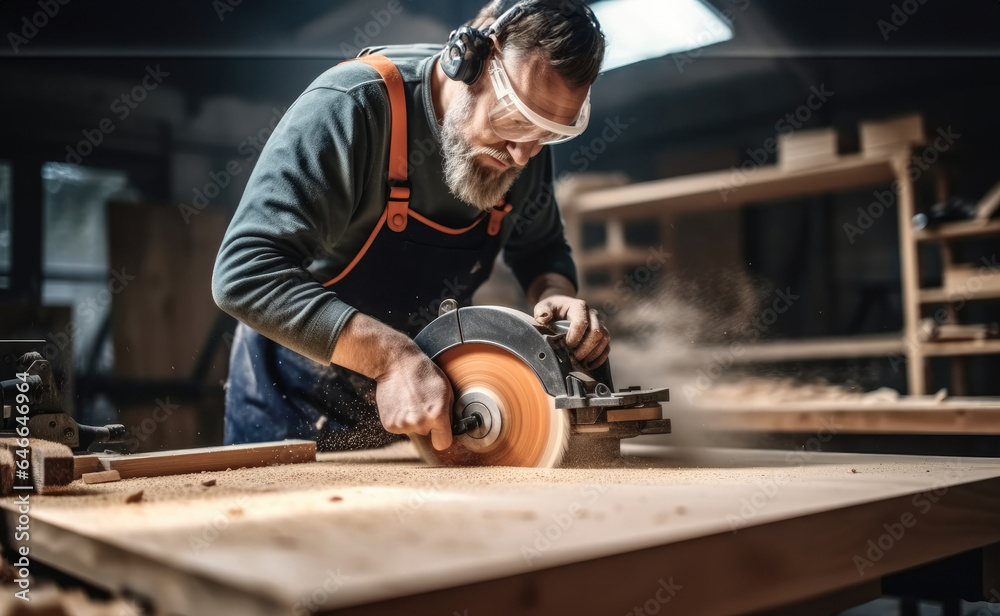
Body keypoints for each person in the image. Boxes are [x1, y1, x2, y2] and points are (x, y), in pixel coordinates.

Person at [211, 0, 611, 453]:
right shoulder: (351, 107)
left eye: (548, 134)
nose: (524, 156)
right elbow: (245, 273)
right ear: (469, 64)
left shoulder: (524, 143)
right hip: (294, 399)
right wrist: (390, 358)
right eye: (515, 121)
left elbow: (539, 250)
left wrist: (552, 293)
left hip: (428, 397)